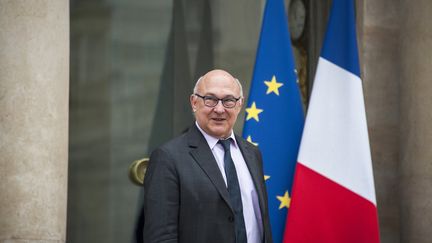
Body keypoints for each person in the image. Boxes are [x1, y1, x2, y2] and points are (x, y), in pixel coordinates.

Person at [143, 69, 272, 243]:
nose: (219, 109)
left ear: (240, 104)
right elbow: (161, 237)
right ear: (194, 102)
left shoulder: (252, 153)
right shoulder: (168, 158)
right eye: (210, 99)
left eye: (228, 100)